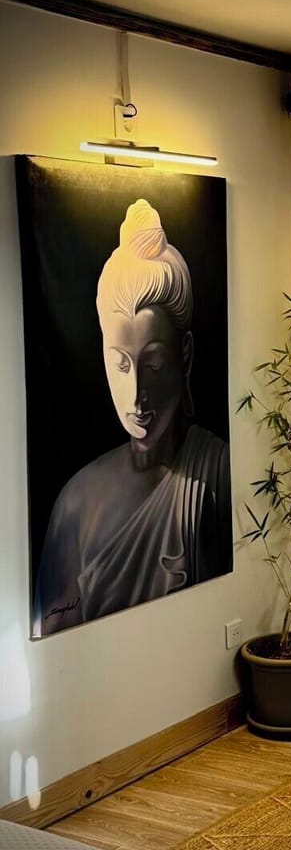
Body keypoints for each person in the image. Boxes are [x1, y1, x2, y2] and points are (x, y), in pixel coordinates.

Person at [33, 199, 231, 637]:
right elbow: (55, 630)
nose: (137, 393)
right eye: (121, 364)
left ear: (184, 355)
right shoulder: (76, 503)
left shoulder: (216, 472)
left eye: (154, 364)